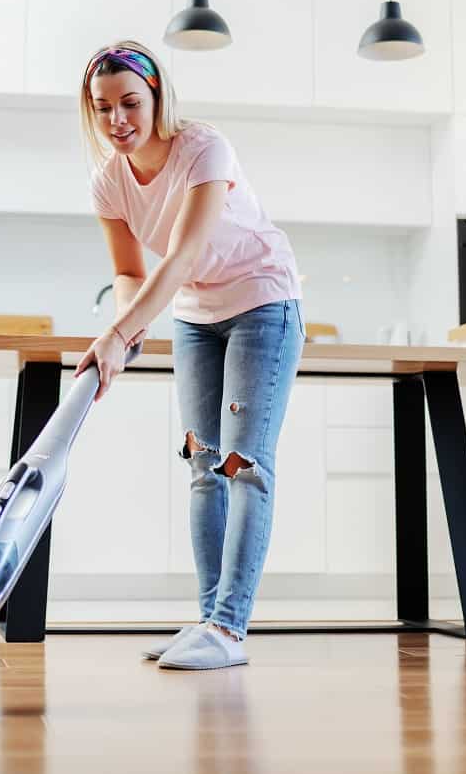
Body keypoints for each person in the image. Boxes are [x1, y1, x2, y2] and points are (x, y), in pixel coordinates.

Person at [73, 40, 305, 671]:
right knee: (204, 464)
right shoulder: (108, 183)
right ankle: (206, 621)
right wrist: (126, 326)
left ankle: (229, 630)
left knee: (243, 463)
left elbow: (179, 255)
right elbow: (129, 271)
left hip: (262, 301)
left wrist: (122, 335)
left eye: (130, 103)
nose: (118, 119)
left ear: (156, 99)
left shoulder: (204, 149)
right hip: (196, 316)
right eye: (103, 108)